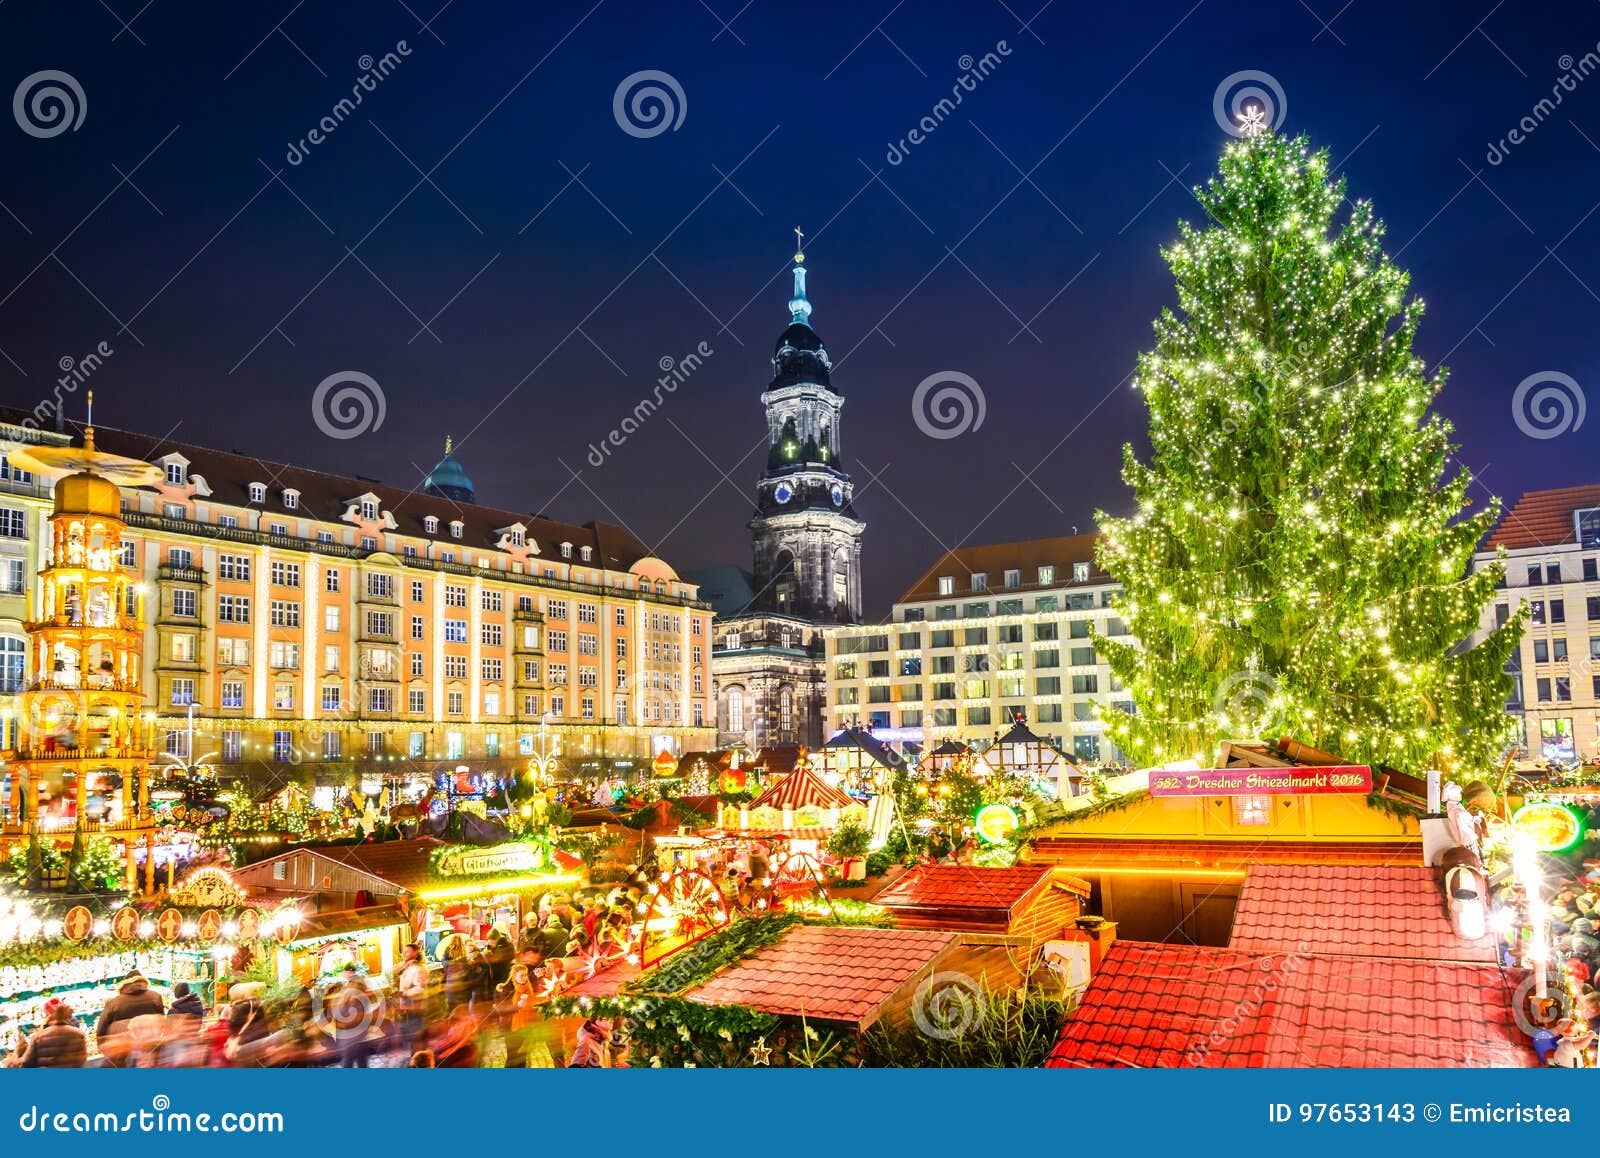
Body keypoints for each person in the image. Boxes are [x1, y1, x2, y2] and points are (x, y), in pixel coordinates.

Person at [95, 970, 165, 1066]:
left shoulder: (115, 1003)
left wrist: (111, 1054)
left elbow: (101, 1032)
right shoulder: (155, 997)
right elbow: (161, 1023)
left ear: (125, 984)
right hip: (150, 1050)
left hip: (124, 1052)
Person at [327, 966, 376, 1068]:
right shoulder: (346, 997)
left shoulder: (357, 998)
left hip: (355, 1038)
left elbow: (361, 1018)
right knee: (353, 1060)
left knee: (356, 1060)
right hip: (350, 1038)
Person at [20, 1004, 87, 1068]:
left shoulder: (38, 1037)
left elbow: (27, 1063)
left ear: (50, 1016)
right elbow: (82, 1059)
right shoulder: (79, 1034)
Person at [396, 943, 428, 1046]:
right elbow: (391, 972)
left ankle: (417, 1052)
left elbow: (421, 988)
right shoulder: (407, 967)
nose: (404, 953)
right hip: (408, 1004)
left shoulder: (419, 969)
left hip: (416, 1004)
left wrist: (405, 993)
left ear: (415, 953)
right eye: (404, 951)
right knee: (411, 1030)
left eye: (407, 951)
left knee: (416, 1031)